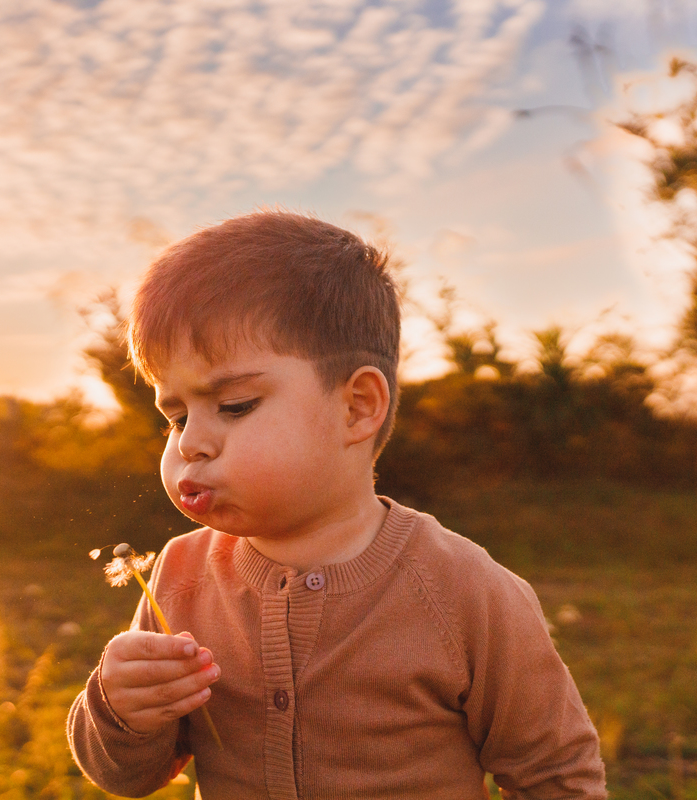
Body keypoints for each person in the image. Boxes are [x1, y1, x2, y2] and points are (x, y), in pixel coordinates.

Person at [67, 211, 606, 799]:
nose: (191, 441)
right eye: (175, 416)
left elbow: (555, 775)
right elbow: (129, 777)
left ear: (356, 408)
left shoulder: (464, 590)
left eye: (236, 404)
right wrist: (123, 710)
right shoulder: (178, 577)